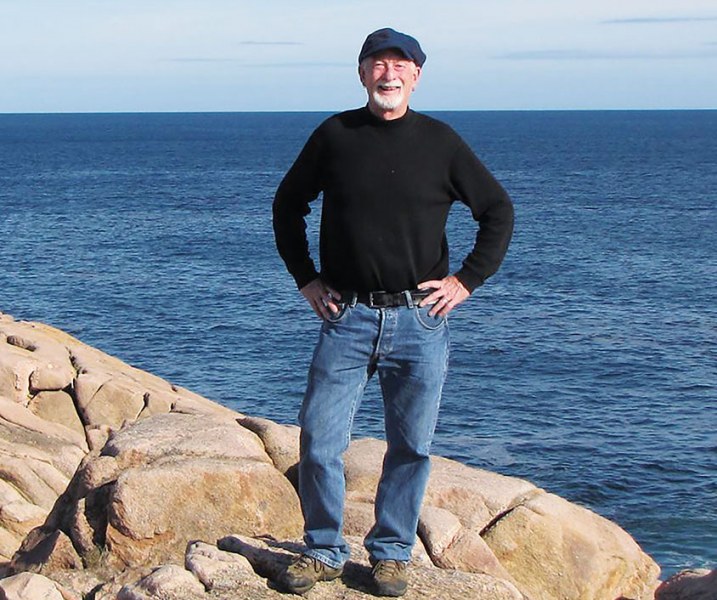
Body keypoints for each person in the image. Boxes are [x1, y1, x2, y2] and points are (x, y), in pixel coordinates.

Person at [272, 27, 514, 597]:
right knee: (319, 439)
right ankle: (325, 550)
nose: (389, 75)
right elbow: (288, 205)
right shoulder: (334, 135)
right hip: (346, 317)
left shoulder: (441, 142)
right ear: (362, 75)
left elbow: (497, 210)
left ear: (417, 76)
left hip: (420, 321)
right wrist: (306, 279)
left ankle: (390, 554)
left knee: (411, 446)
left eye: (400, 66)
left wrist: (466, 281)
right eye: (378, 65)